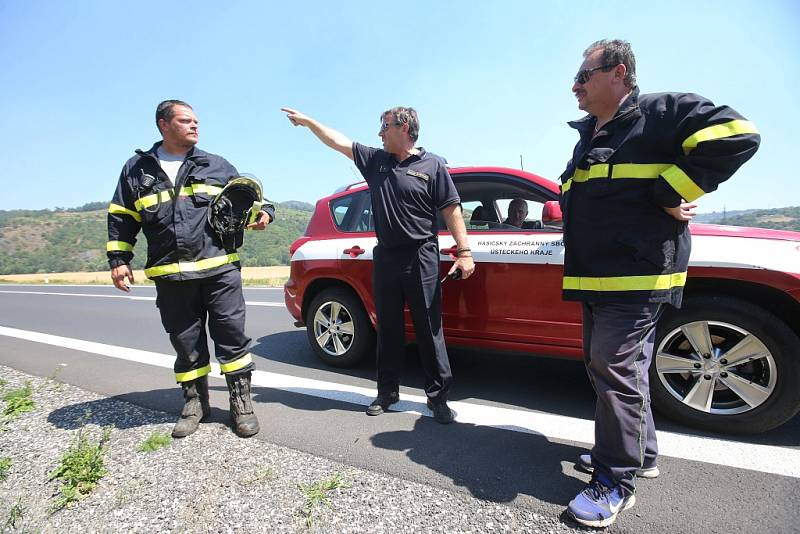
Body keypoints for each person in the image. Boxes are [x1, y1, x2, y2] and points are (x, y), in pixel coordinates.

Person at [559, 40, 760, 527]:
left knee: (613, 369)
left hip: (637, 274)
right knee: (612, 370)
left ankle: (614, 481)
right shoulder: (590, 133)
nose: (575, 86)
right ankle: (640, 454)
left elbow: (739, 135)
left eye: (583, 76)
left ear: (618, 72)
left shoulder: (661, 112)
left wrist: (673, 190)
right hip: (596, 277)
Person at [281, 105, 475, 424]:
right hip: (385, 256)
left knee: (429, 328)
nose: (380, 133)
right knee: (388, 328)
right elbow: (338, 142)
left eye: (385, 126)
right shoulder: (376, 161)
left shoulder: (433, 165)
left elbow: (451, 209)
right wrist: (309, 122)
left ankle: (438, 397)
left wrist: (464, 251)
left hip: (422, 254)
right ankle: (387, 392)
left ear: (404, 128)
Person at [107, 100, 275, 439]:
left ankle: (241, 404)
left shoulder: (216, 164)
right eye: (186, 121)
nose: (195, 126)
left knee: (231, 338)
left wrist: (265, 214)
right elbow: (122, 217)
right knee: (186, 343)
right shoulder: (137, 170)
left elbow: (255, 199)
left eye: (196, 121)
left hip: (219, 271)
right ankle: (195, 403)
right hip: (171, 276)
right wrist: (119, 260)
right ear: (163, 125)